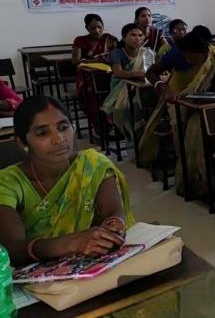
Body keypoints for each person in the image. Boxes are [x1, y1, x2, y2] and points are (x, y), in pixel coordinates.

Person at [0, 96, 134, 266]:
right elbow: (12, 249)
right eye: (42, 133)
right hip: (34, 275)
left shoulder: (92, 164)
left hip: (93, 266)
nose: (59, 139)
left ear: (73, 128)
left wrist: (114, 227)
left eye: (63, 128)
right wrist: (70, 243)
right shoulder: (7, 182)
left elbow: (113, 212)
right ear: (22, 142)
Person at [140, 31, 215, 195]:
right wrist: (162, 86)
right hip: (178, 97)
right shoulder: (176, 54)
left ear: (205, 53)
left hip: (203, 100)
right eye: (187, 58)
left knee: (208, 133)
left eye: (193, 59)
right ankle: (188, 176)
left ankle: (213, 177)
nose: (189, 61)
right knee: (181, 135)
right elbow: (150, 73)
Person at [101, 24, 153, 149]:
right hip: (121, 88)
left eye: (140, 35)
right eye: (133, 35)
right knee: (127, 108)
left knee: (150, 105)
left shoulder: (147, 52)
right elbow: (118, 72)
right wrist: (138, 74)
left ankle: (149, 137)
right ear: (124, 38)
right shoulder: (117, 53)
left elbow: (151, 71)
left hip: (143, 86)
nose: (137, 38)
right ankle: (135, 138)